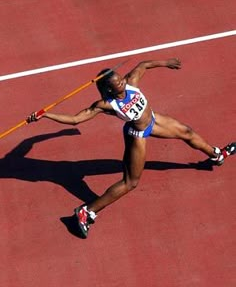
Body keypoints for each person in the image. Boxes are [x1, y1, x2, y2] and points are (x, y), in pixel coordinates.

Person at [27, 58, 235, 238]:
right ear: (109, 88)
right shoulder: (106, 105)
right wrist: (46, 115)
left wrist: (166, 63)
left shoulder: (131, 83)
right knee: (130, 182)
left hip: (154, 120)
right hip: (137, 135)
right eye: (117, 82)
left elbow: (143, 65)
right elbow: (75, 119)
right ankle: (86, 212)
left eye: (120, 78)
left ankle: (216, 154)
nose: (122, 81)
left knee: (187, 132)